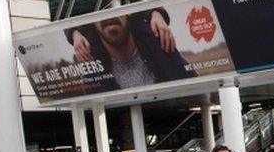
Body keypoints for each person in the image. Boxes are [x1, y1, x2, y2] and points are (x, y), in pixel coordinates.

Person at [65, 8, 195, 91]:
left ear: (129, 16)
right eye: (100, 14)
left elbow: (194, 86)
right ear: (92, 26)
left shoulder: (157, 46)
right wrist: (74, 32)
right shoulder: (93, 72)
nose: (109, 17)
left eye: (117, 11)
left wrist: (156, 13)